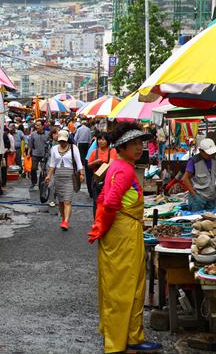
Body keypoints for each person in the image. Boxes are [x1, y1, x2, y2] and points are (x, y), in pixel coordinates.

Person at [88, 122, 161, 354]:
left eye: (141, 143)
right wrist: (105, 226)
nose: (140, 147)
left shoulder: (120, 165)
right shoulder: (124, 169)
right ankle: (121, 342)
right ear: (121, 147)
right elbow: (110, 202)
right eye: (134, 144)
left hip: (125, 232)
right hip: (123, 234)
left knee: (133, 286)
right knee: (123, 288)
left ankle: (132, 337)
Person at [44, 130, 84, 231]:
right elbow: (52, 164)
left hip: (69, 177)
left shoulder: (73, 148)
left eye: (64, 141)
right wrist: (49, 175)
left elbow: (79, 162)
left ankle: (66, 221)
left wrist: (81, 174)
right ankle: (63, 219)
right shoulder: (53, 149)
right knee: (61, 201)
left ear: (67, 140)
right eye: (60, 141)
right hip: (58, 177)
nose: (62, 143)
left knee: (67, 201)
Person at [87, 133, 117, 217]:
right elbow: (89, 165)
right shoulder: (94, 152)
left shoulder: (112, 151)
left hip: (108, 180)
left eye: (103, 139)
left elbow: (111, 163)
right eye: (99, 139)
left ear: (108, 141)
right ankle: (97, 221)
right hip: (96, 181)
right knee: (96, 202)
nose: (100, 141)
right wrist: (95, 162)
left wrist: (103, 165)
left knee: (107, 202)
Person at [182, 138, 216, 211]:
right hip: (198, 198)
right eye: (208, 154)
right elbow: (185, 179)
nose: (211, 155)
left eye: (212, 153)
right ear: (201, 151)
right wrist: (194, 195)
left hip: (212, 198)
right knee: (196, 219)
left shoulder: (214, 160)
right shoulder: (194, 161)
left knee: (210, 221)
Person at [27, 120, 50, 190]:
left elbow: (50, 144)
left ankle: (41, 184)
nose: (37, 126)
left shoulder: (48, 134)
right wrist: (28, 153)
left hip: (44, 155)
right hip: (35, 154)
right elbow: (30, 145)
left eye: (39, 125)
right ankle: (33, 182)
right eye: (36, 125)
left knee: (43, 170)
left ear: (43, 126)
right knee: (33, 169)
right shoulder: (33, 134)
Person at [74, 120, 93, 196]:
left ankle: (82, 163)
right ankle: (84, 162)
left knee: (81, 153)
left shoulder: (79, 129)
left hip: (81, 142)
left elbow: (76, 137)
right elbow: (90, 137)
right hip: (86, 143)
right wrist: (89, 142)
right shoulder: (88, 129)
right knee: (85, 153)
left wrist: (76, 142)